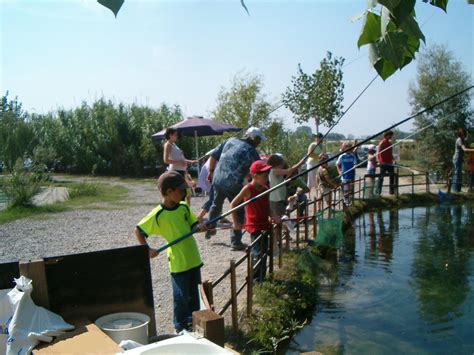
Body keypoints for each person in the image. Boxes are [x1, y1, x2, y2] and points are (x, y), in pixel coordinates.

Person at [134, 171, 207, 333]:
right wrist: (147, 249)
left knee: (195, 292)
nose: (184, 193)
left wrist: (200, 228)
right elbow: (138, 231)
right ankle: (179, 326)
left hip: (193, 257)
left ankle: (194, 322)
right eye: (181, 190)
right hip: (178, 261)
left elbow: (193, 226)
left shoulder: (183, 207)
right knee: (181, 296)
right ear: (169, 191)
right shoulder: (157, 215)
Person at [205, 127, 264, 250]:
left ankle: (210, 227)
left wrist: (210, 171)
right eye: (259, 140)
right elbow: (259, 170)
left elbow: (213, 155)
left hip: (218, 177)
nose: (260, 143)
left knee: (216, 204)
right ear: (254, 139)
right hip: (233, 182)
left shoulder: (229, 140)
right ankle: (235, 241)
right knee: (239, 210)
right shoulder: (251, 151)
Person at [230, 160, 272, 281]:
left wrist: (272, 216)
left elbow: (267, 206)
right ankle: (255, 280)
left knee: (264, 252)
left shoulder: (265, 188)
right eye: (264, 176)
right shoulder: (247, 189)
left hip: (265, 223)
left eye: (267, 175)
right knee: (257, 253)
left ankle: (262, 277)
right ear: (255, 176)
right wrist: (236, 222)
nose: (267, 178)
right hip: (254, 226)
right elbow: (233, 204)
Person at [163, 127, 197, 205]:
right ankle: (178, 210)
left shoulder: (174, 144)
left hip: (181, 172)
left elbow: (181, 159)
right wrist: (178, 162)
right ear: (170, 135)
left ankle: (180, 210)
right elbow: (166, 160)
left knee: (183, 193)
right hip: (175, 172)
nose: (177, 136)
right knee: (180, 193)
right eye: (175, 135)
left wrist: (190, 161)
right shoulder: (167, 144)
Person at [452, 128, 474, 193]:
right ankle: (455, 190)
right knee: (457, 173)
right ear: (462, 134)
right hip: (457, 158)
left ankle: (458, 190)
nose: (465, 135)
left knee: (458, 174)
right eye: (465, 134)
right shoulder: (459, 140)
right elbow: (464, 149)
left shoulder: (462, 140)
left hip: (459, 158)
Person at [305, 133, 326, 199]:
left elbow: (324, 154)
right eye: (316, 137)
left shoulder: (323, 146)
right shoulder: (312, 145)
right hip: (311, 164)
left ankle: (318, 195)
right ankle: (308, 195)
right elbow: (309, 154)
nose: (318, 138)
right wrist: (318, 156)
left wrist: (323, 157)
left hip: (319, 164)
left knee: (319, 179)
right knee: (311, 180)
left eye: (319, 137)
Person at [376, 130, 395, 195]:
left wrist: (393, 160)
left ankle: (391, 191)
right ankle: (378, 192)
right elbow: (379, 153)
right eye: (390, 135)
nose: (391, 137)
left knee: (392, 177)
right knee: (381, 178)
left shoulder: (389, 143)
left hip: (390, 163)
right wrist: (380, 161)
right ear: (387, 135)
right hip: (383, 163)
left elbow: (390, 153)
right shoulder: (382, 143)